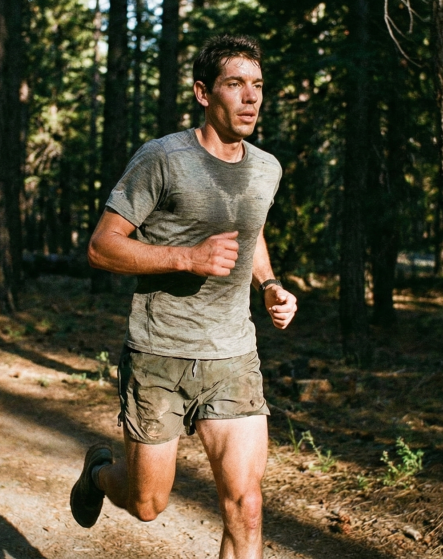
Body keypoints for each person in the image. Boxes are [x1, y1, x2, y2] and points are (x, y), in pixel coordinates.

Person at [70, 34, 297, 559]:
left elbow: (251, 231)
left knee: (246, 504)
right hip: (159, 355)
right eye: (236, 84)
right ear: (203, 92)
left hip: (233, 355)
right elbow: (102, 247)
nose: (251, 98)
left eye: (257, 86)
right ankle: (100, 473)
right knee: (147, 503)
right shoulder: (163, 159)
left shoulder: (266, 168)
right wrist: (186, 258)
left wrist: (268, 285)